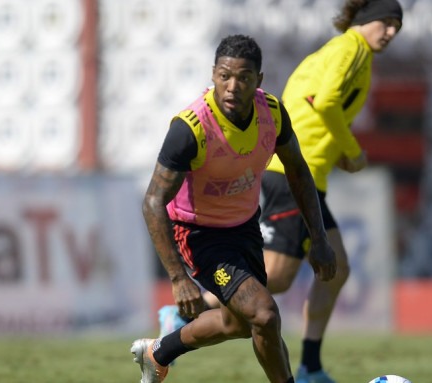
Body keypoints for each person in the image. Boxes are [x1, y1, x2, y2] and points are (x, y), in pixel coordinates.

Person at [156, 1, 403, 382]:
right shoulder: (349, 49)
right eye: (385, 23)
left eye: (396, 27)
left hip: (300, 181)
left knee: (325, 272)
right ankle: (195, 312)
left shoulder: (288, 95)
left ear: (258, 78)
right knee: (269, 296)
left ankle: (309, 363)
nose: (389, 32)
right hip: (265, 188)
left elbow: (304, 122)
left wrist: (319, 233)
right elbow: (324, 101)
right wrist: (351, 152)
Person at [132, 34, 336, 383]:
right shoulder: (190, 128)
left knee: (238, 323)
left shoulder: (271, 113)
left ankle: (159, 353)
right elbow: (153, 201)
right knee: (265, 314)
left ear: (258, 80)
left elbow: (298, 170)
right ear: (213, 74)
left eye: (243, 77)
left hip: (244, 228)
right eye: (224, 75)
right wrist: (179, 279)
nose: (232, 86)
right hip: (199, 234)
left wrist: (318, 238)